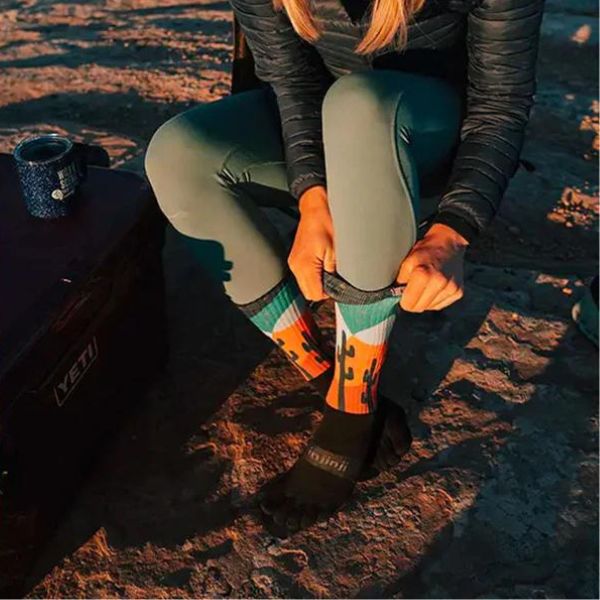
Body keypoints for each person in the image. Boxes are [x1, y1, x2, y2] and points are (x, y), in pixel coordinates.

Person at [144, 0, 544, 535]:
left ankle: (351, 414)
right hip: (321, 125)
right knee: (178, 153)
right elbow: (290, 80)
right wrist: (312, 195)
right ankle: (333, 381)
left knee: (358, 104)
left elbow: (500, 107)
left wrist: (452, 231)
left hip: (424, 138)